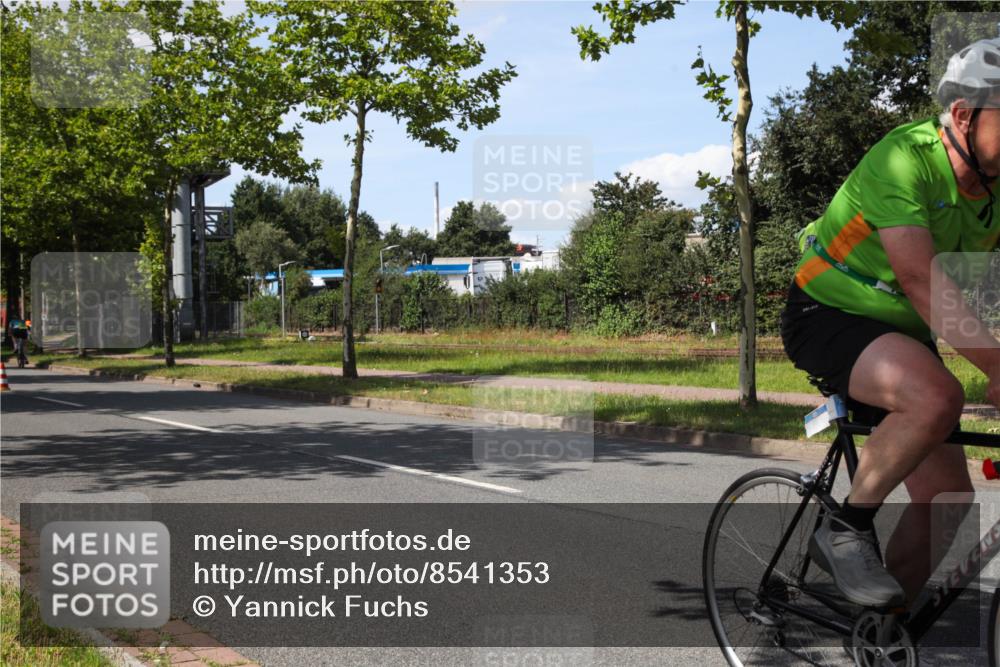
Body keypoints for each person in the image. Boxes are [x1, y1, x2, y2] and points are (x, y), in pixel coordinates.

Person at [780, 38, 1000, 609]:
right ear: (962, 115)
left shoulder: (993, 188)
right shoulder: (903, 160)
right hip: (827, 312)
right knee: (936, 396)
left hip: (901, 330)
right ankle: (846, 526)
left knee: (948, 497)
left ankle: (883, 633)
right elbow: (921, 280)